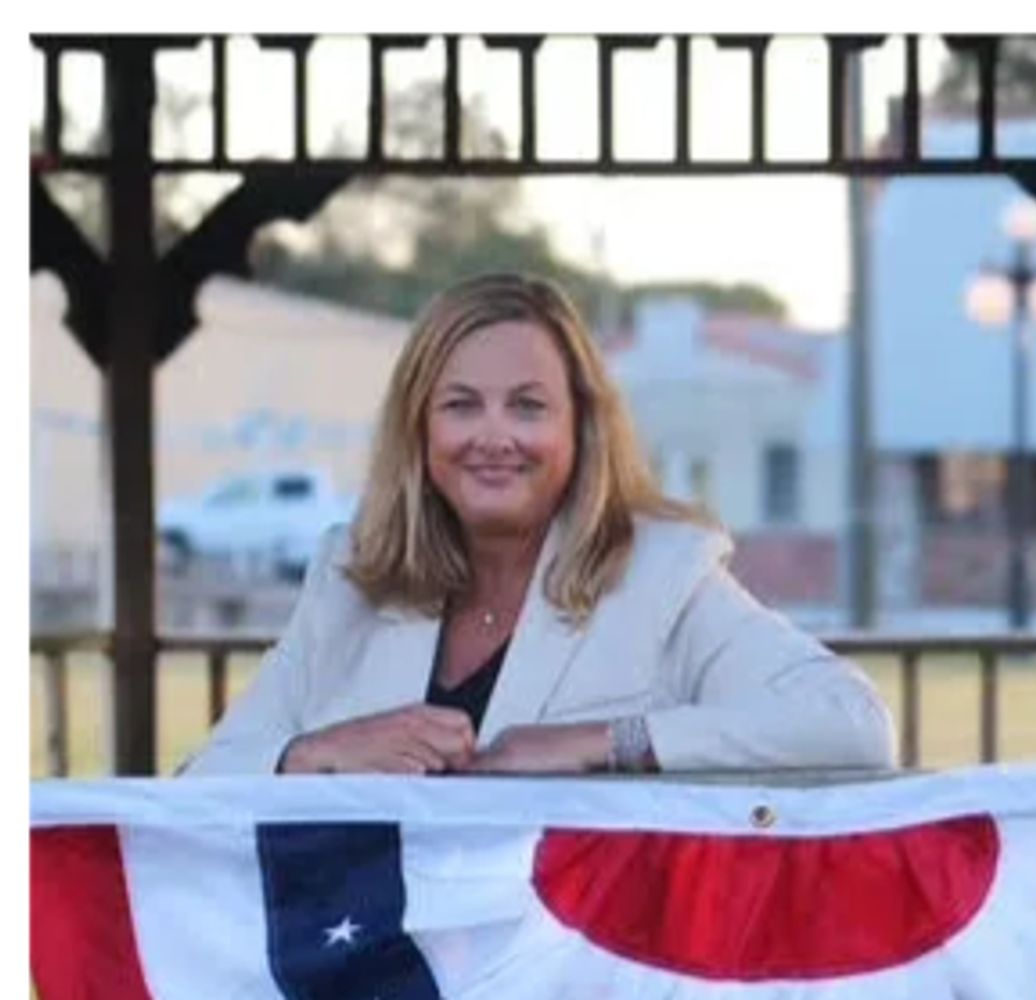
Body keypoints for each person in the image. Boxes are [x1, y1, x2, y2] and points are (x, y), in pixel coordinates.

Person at [180, 273, 895, 777]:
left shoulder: (662, 573)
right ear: (419, 429)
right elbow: (201, 779)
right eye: (461, 405)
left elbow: (850, 723)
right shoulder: (347, 577)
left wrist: (604, 743)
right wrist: (317, 753)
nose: (494, 437)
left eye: (527, 406)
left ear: (580, 428)